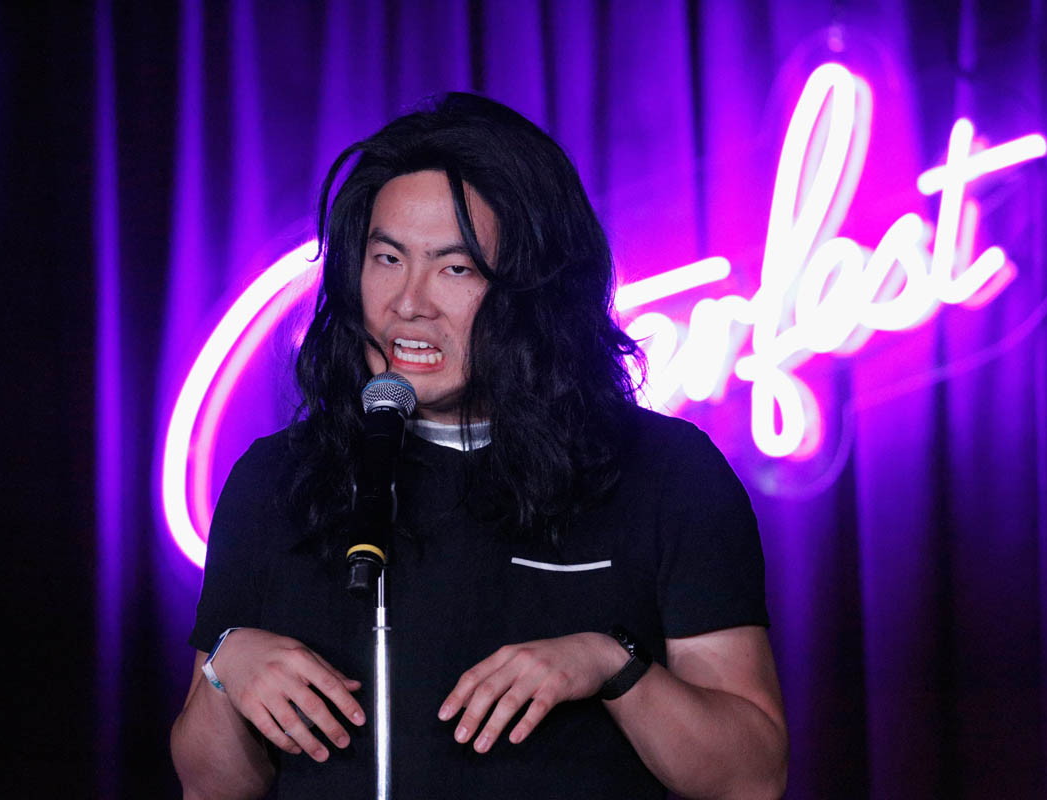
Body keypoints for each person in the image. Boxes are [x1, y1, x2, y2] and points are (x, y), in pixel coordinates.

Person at [171, 93, 787, 799]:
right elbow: (209, 788)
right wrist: (226, 668)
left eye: (455, 268)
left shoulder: (666, 471)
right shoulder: (276, 478)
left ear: (536, 291)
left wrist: (611, 665)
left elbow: (751, 776)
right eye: (387, 258)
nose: (409, 303)